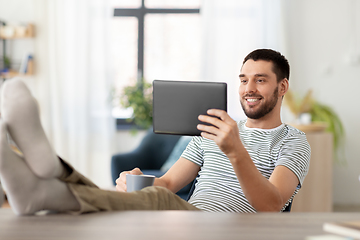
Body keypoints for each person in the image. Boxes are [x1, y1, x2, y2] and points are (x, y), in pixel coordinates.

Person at [0, 49, 310, 215]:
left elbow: (271, 206)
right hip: (187, 217)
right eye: (243, 80)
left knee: (151, 204)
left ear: (281, 87)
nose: (248, 89)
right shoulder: (212, 132)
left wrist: (235, 151)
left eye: (260, 80)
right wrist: (138, 181)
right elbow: (167, 184)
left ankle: (47, 181)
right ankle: (49, 176)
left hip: (232, 227)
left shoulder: (293, 141)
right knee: (133, 200)